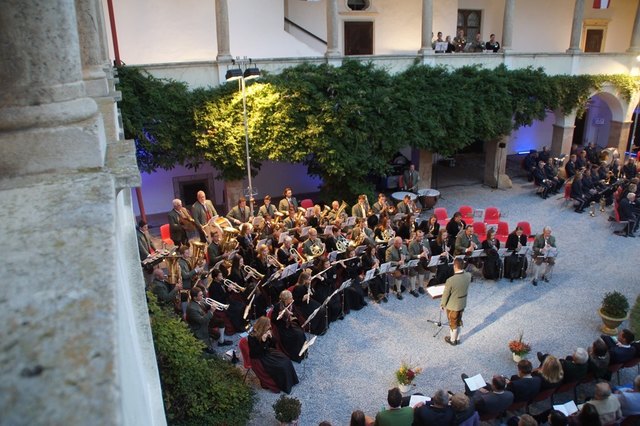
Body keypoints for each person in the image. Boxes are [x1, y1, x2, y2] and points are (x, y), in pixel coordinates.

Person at [247, 316, 299, 394]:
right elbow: (255, 352)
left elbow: (273, 345)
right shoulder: (251, 337)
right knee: (281, 365)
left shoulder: (266, 331)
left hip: (267, 352)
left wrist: (271, 338)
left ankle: (291, 381)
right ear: (263, 326)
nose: (270, 326)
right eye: (268, 325)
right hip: (259, 357)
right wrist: (264, 342)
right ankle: (283, 384)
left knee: (286, 360)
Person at [186, 288, 230, 353]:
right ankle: (207, 348)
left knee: (221, 322)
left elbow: (206, 306)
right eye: (200, 295)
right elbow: (201, 321)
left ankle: (221, 341)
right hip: (199, 327)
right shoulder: (191, 308)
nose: (203, 296)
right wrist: (211, 311)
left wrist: (213, 304)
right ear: (195, 298)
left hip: (206, 321)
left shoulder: (200, 300)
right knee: (217, 334)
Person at [441, 258, 471, 346]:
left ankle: (453, 340)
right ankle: (458, 338)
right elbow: (464, 272)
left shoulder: (451, 280)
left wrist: (442, 304)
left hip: (453, 305)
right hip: (462, 302)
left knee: (452, 322)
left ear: (454, 266)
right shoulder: (468, 275)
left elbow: (446, 295)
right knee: (459, 320)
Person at [270, 290, 306, 362]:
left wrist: (291, 313)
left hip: (289, 323)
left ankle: (303, 351)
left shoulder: (291, 304)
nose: (292, 299)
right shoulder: (277, 306)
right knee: (296, 336)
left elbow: (295, 312)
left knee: (300, 333)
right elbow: (273, 319)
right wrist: (279, 316)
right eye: (290, 298)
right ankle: (296, 355)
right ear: (286, 300)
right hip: (282, 326)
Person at [408, 229, 430, 295]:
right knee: (414, 272)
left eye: (422, 236)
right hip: (414, 261)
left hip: (423, 260)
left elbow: (430, 251)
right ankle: (413, 289)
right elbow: (411, 256)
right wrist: (419, 255)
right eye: (419, 236)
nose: (421, 238)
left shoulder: (425, 242)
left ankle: (421, 286)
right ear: (416, 236)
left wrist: (427, 252)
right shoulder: (411, 244)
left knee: (424, 270)